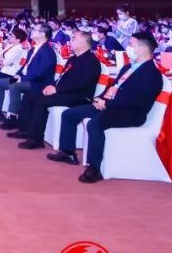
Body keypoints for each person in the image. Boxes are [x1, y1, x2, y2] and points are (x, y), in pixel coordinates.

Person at [47, 31, 164, 184]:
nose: (127, 48)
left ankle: (94, 168)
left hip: (130, 113)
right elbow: (114, 88)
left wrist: (107, 104)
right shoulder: (129, 67)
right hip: (111, 106)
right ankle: (68, 152)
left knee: (94, 124)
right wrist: (101, 98)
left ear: (142, 48)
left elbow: (136, 100)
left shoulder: (151, 73)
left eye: (130, 44)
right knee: (70, 114)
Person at [11, 30, 103, 147]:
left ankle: (36, 138)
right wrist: (53, 85)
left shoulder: (91, 61)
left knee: (41, 100)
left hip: (79, 96)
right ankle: (24, 129)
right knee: (31, 94)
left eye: (74, 38)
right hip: (65, 91)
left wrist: (57, 90)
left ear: (83, 42)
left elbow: (81, 84)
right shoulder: (73, 59)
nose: (70, 41)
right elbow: (62, 78)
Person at [0, 26, 57, 123]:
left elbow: (40, 73)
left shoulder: (47, 51)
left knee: (14, 86)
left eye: (35, 30)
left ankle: (12, 117)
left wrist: (22, 78)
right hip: (27, 78)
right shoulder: (33, 49)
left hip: (38, 83)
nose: (32, 31)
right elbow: (25, 66)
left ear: (42, 34)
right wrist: (18, 74)